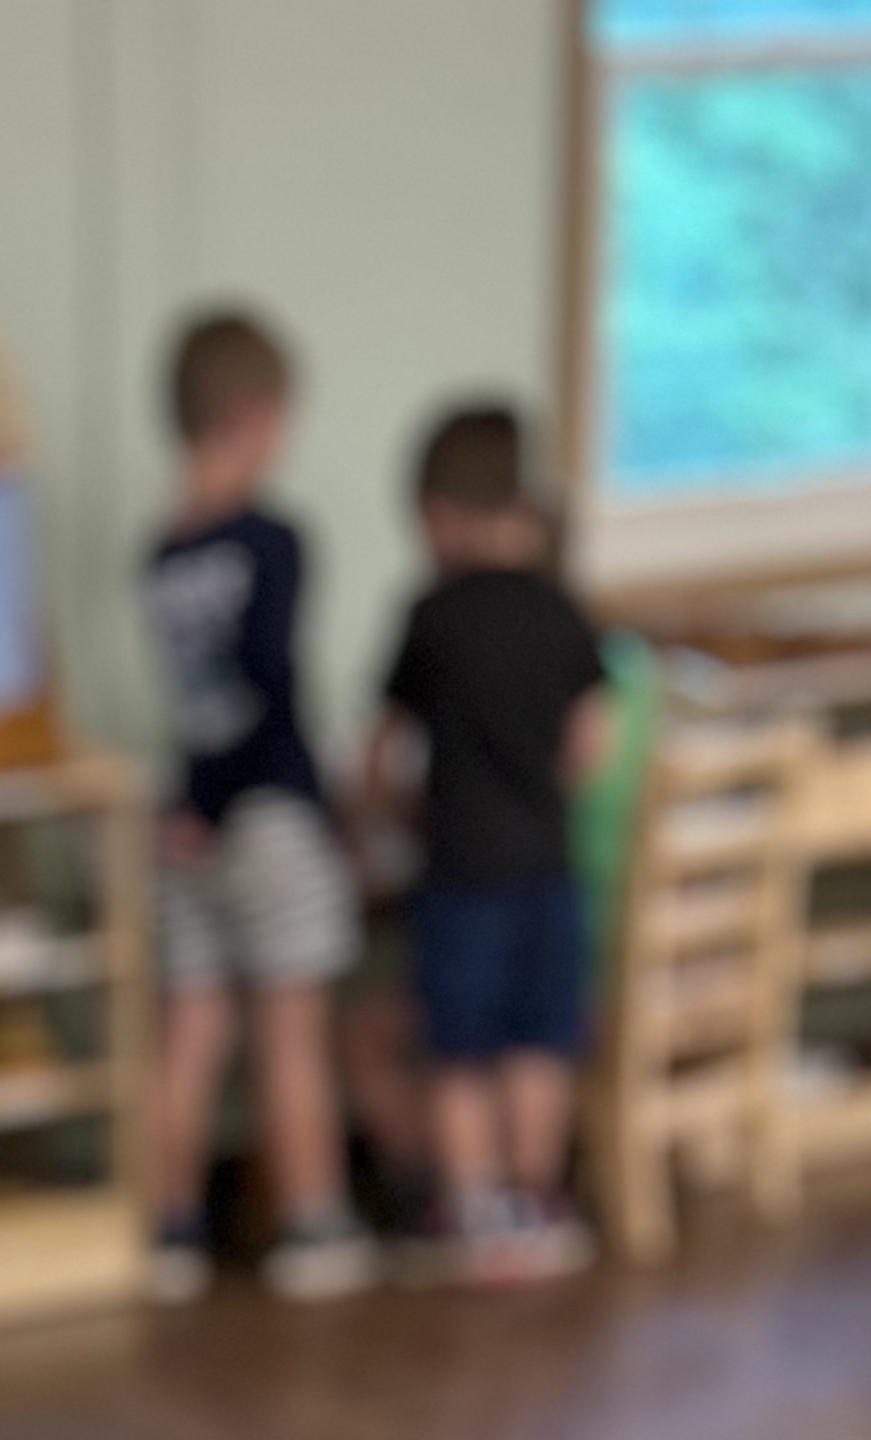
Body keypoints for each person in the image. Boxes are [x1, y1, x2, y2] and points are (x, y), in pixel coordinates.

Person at [140, 309, 375, 1305]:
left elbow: (199, 699)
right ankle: (314, 1226)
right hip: (270, 815)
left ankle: (170, 1233)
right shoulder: (275, 541)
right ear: (254, 416)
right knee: (291, 1030)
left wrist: (194, 802)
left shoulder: (160, 553)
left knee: (193, 1031)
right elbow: (272, 685)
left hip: (186, 823)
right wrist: (323, 806)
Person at [363, 406, 612, 1283]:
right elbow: (592, 742)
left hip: (461, 871)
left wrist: (393, 813)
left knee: (460, 1049)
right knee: (540, 1039)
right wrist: (543, 793)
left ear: (440, 513)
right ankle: (537, 1199)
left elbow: (382, 751)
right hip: (548, 868)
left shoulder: (431, 614)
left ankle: (472, 1208)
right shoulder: (562, 610)